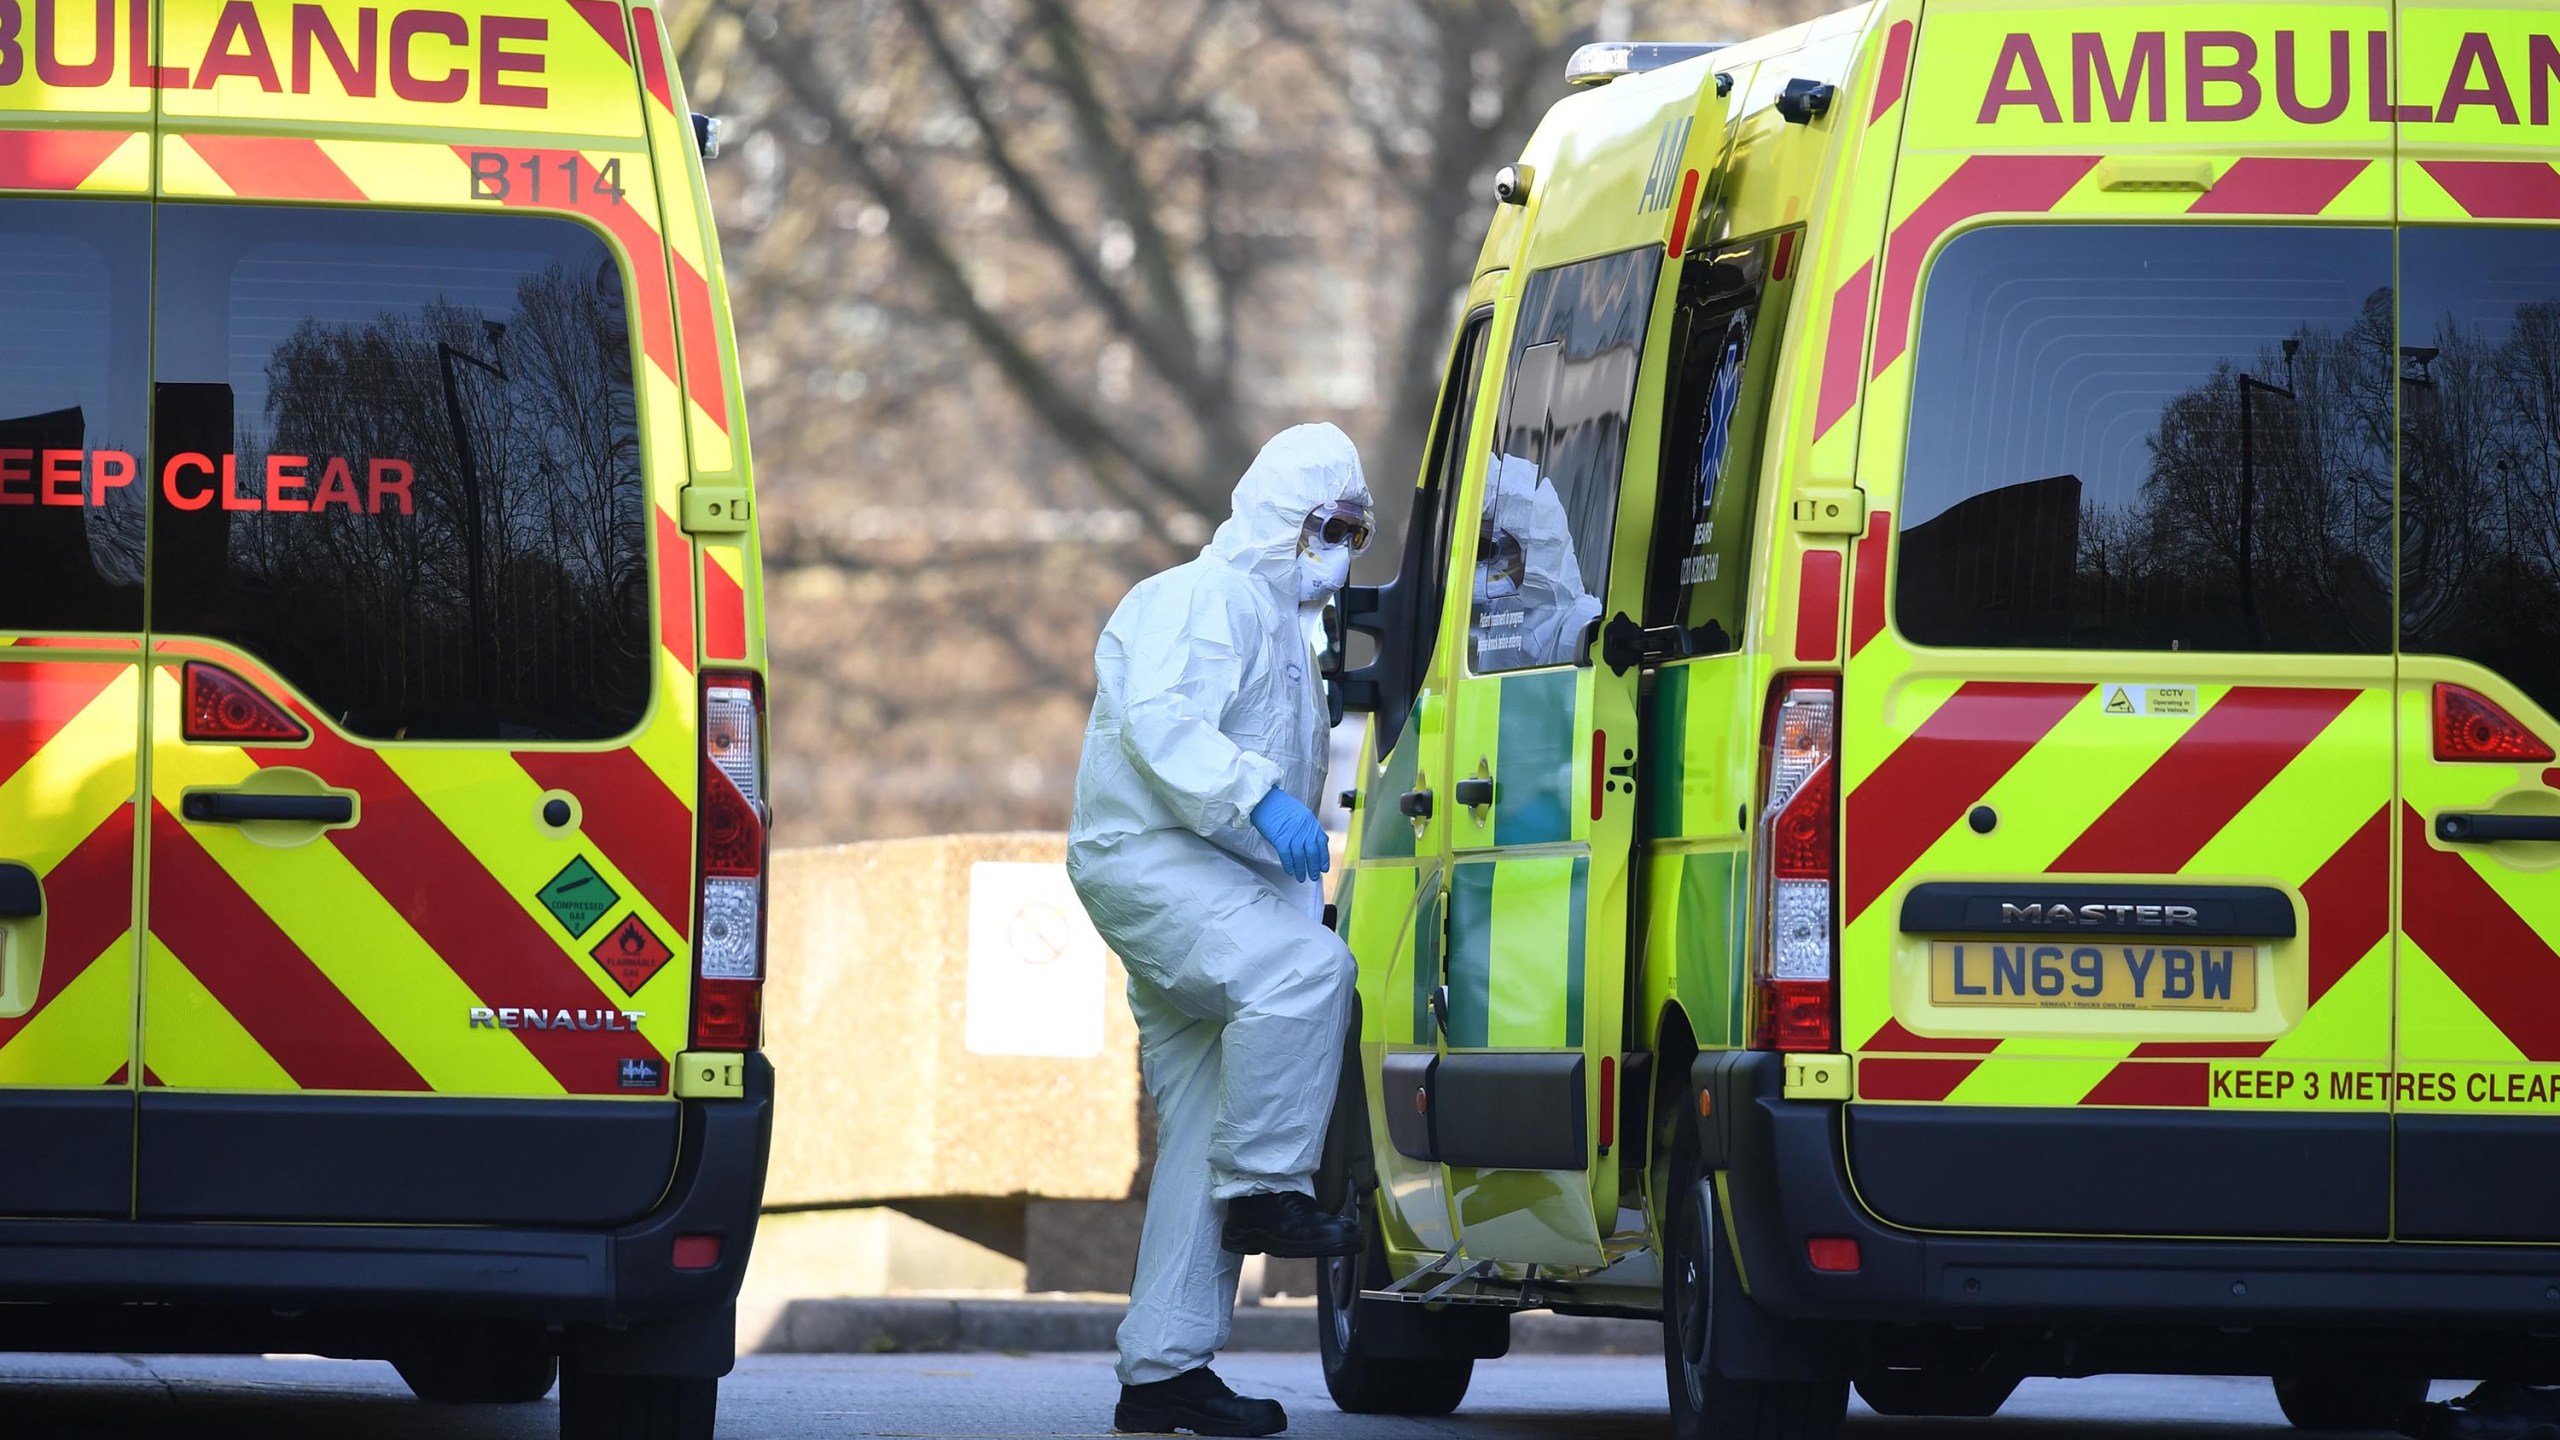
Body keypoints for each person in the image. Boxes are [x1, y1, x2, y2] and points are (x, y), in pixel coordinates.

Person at [1067, 423, 1375, 1438]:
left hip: (1207, 878)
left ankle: (1161, 1375)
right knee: (1307, 975)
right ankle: (1265, 1191)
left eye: (1353, 532)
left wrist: (1281, 838)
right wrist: (1262, 800)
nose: (1336, 548)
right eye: (1325, 525)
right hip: (1152, 860)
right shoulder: (1204, 599)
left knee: (1204, 1129)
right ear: (1279, 516)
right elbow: (1165, 726)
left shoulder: (1283, 628)